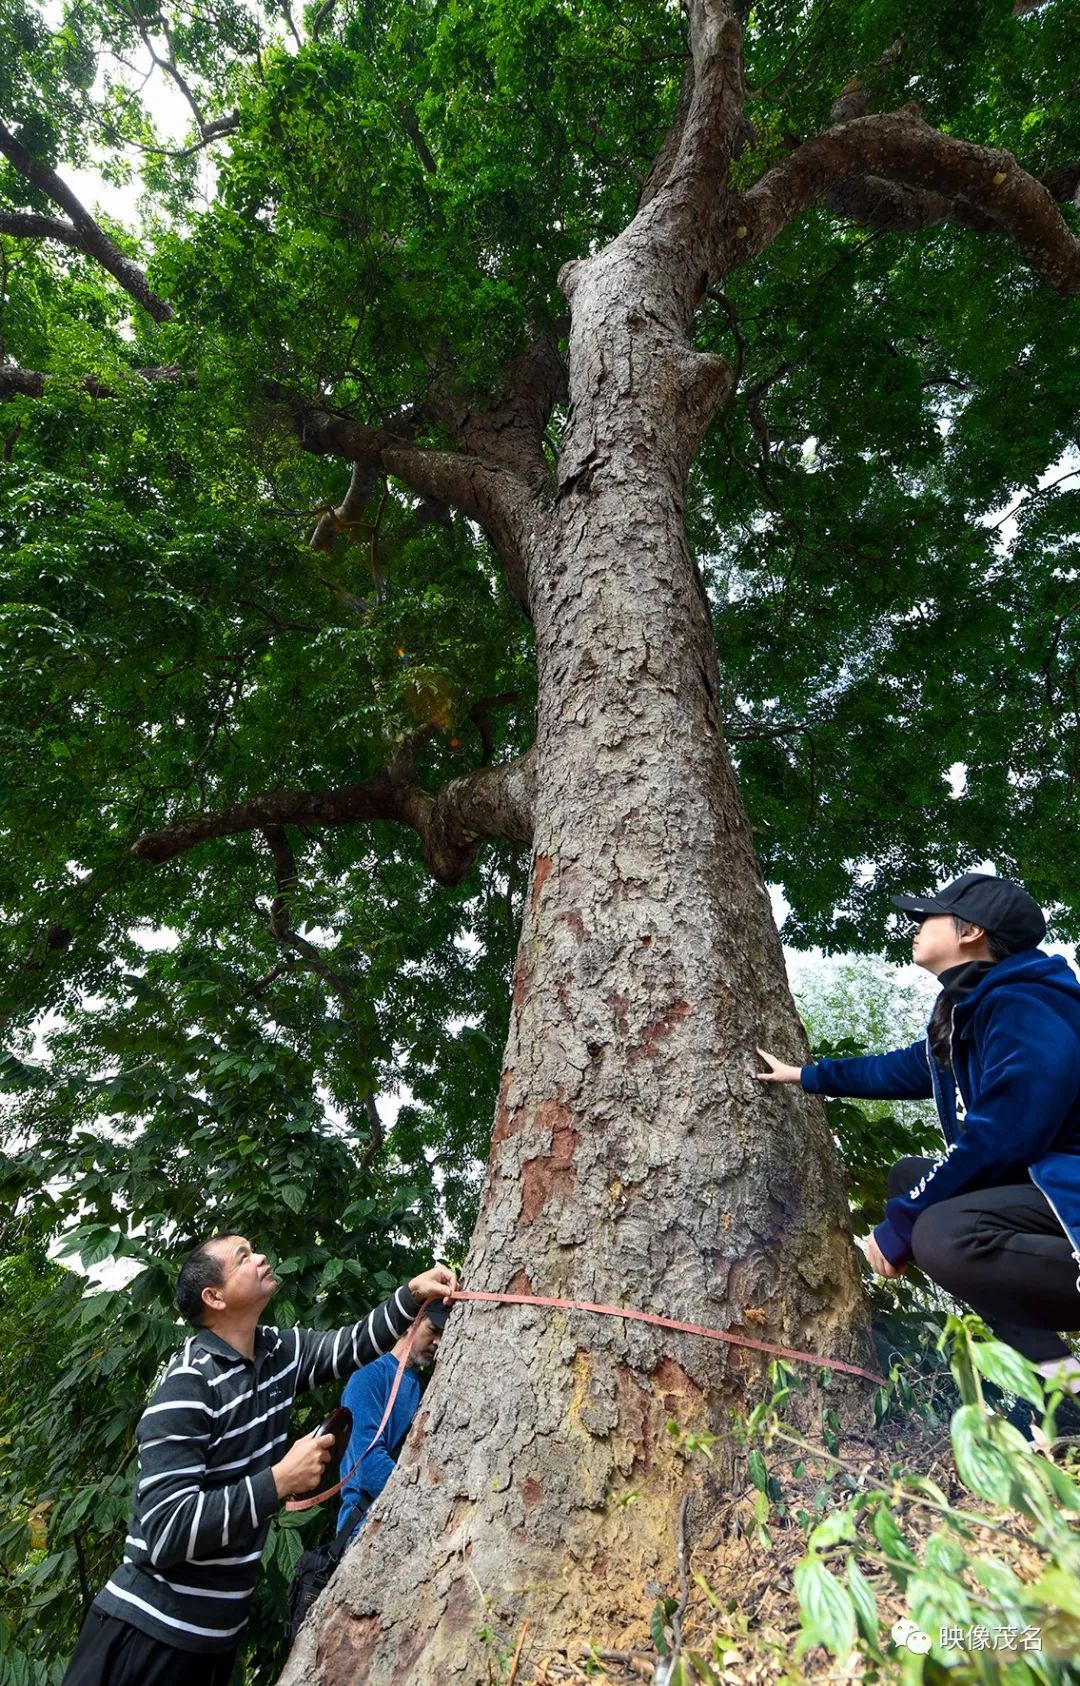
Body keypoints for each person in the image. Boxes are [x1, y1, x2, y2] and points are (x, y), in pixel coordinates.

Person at [61, 1231, 455, 1686]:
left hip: (215, 1642)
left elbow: (350, 1346)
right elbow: (166, 1531)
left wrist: (411, 1295)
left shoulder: (277, 1353)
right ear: (214, 1296)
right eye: (242, 1257)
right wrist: (279, 1481)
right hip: (148, 1637)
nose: (261, 1257)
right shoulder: (189, 1384)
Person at [756, 873, 1080, 1411]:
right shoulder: (964, 1015)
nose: (914, 925)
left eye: (926, 915)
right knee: (912, 1179)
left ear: (971, 929)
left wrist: (903, 1223)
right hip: (1048, 1202)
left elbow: (1004, 1133)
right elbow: (899, 1071)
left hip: (1068, 1201)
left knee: (943, 1234)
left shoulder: (1029, 1006)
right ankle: (1066, 1393)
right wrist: (804, 1076)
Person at [337, 1297, 449, 1540]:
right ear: (411, 1322)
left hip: (405, 1523)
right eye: (432, 1330)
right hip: (364, 1526)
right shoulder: (368, 1375)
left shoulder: (428, 1390)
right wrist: (426, 1502)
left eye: (444, 1335)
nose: (437, 1342)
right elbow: (369, 1467)